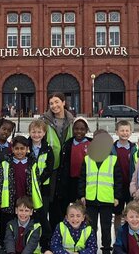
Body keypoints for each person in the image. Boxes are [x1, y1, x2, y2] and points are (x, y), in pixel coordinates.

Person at [79, 129, 123, 254]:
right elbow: (82, 178)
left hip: (107, 200)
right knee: (90, 227)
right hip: (91, 199)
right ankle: (91, 248)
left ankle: (106, 249)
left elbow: (118, 180)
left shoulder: (113, 160)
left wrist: (117, 197)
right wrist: (82, 195)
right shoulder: (87, 159)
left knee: (106, 227)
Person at [0, 136, 40, 247]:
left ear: (27, 149)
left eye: (22, 148)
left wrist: (35, 201)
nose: (19, 151)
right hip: (9, 202)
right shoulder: (5, 164)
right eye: (17, 148)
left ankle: (24, 246)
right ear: (12, 149)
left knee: (24, 226)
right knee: (6, 225)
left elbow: (37, 183)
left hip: (26, 201)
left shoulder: (32, 164)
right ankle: (4, 246)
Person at [41, 92, 75, 226]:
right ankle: (50, 236)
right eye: (51, 103)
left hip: (67, 167)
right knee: (51, 201)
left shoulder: (72, 121)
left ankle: (62, 233)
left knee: (64, 201)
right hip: (51, 167)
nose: (54, 106)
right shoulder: (44, 122)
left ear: (64, 102)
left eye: (57, 102)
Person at [28, 119, 55, 251]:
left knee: (43, 215)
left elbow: (49, 169)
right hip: (29, 188)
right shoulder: (25, 147)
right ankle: (30, 242)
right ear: (29, 132)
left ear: (44, 133)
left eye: (39, 132)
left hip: (43, 188)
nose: (36, 135)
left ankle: (45, 243)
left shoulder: (48, 149)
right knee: (30, 215)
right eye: (34, 132)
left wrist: (38, 179)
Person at [57, 117, 91, 217]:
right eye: (76, 129)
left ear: (86, 130)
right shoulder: (68, 144)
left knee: (82, 207)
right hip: (70, 180)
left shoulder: (90, 144)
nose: (79, 131)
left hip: (85, 181)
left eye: (82, 129)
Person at [111, 120, 139, 231]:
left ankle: (131, 237)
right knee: (118, 214)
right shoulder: (112, 149)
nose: (125, 133)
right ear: (117, 132)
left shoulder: (135, 149)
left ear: (131, 132)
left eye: (127, 130)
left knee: (131, 213)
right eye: (122, 130)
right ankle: (118, 239)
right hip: (116, 187)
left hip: (130, 186)